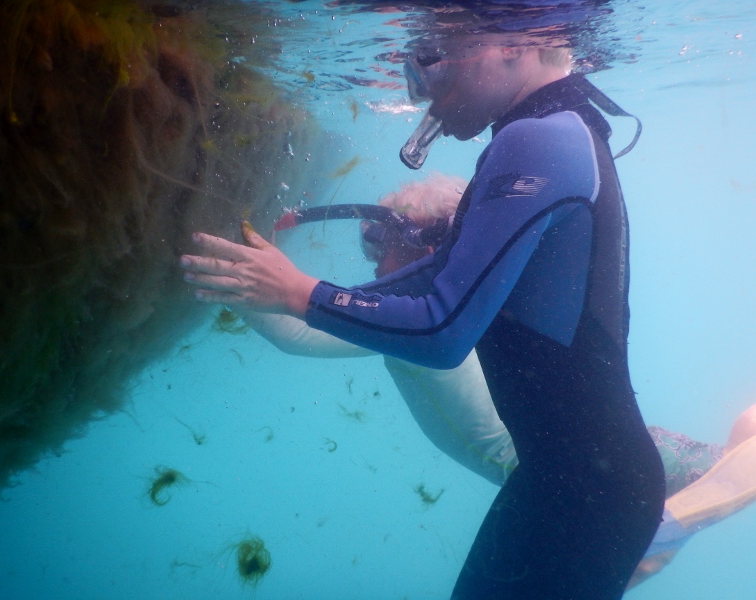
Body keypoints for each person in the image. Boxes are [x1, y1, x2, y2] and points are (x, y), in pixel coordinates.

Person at [180, 28, 667, 598]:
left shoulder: (539, 140)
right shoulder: (556, 131)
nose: (420, 89)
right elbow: (427, 282)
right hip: (572, 486)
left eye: (435, 58)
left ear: (512, 41)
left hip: (584, 495)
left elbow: (440, 331)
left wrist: (298, 292)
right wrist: (273, 280)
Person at [247, 173, 756, 588]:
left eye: (381, 240)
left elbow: (297, 336)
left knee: (740, 463)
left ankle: (676, 517)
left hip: (582, 478)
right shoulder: (464, 298)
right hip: (601, 464)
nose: (374, 261)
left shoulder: (412, 317)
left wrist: (240, 271)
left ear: (428, 246)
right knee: (736, 451)